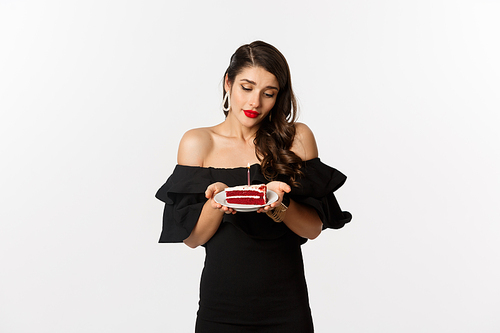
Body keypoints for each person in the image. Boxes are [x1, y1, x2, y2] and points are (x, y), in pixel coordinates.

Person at [155, 40, 352, 333]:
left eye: (268, 93)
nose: (254, 103)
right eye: (246, 88)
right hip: (220, 307)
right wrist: (215, 203)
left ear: (278, 97)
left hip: (286, 306)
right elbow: (192, 239)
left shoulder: (297, 138)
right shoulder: (198, 142)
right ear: (228, 83)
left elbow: (312, 229)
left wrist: (280, 206)